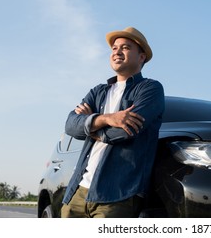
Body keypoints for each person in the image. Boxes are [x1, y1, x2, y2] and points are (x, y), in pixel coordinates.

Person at [61, 27, 165, 218]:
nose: (117, 52)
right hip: (78, 191)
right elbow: (70, 125)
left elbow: (127, 131)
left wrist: (91, 129)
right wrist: (107, 118)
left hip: (117, 195)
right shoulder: (97, 92)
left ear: (141, 57)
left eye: (125, 47)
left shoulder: (150, 89)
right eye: (114, 48)